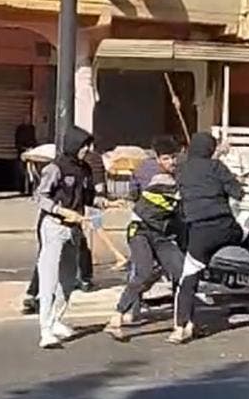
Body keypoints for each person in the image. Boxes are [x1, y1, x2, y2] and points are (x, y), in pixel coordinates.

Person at [171, 132, 249, 344]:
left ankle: (181, 327)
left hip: (199, 232)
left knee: (189, 278)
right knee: (248, 239)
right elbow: (238, 194)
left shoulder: (181, 171)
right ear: (210, 149)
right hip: (224, 225)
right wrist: (235, 182)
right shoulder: (217, 168)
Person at [106, 136, 184, 342]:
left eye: (174, 158)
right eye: (167, 159)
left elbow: (133, 193)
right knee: (142, 272)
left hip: (161, 233)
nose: (171, 163)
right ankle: (118, 316)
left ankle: (183, 321)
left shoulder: (146, 170)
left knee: (179, 270)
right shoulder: (162, 179)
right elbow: (174, 191)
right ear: (158, 158)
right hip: (140, 230)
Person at [33, 125, 95, 349]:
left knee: (68, 280)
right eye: (83, 146)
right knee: (49, 278)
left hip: (75, 229)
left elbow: (88, 198)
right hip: (54, 226)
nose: (86, 150)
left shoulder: (85, 169)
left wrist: (105, 203)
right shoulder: (54, 168)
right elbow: (40, 197)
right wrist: (61, 211)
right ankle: (45, 330)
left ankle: (56, 319)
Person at [14, 117, 37, 195]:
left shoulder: (32, 128)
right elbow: (17, 142)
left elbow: (34, 140)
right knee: (22, 172)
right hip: (22, 152)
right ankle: (22, 189)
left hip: (31, 152)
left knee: (31, 171)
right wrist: (24, 148)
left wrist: (32, 148)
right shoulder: (20, 129)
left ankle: (30, 189)